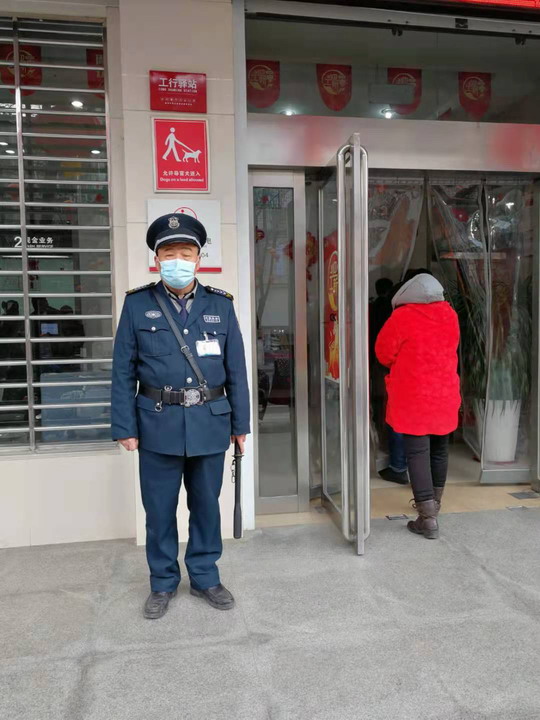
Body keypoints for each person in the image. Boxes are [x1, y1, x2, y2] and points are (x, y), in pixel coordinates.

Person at [111, 213, 250, 619]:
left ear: (199, 259)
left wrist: (240, 425)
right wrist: (125, 426)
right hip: (157, 424)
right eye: (169, 254)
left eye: (185, 253)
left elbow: (237, 370)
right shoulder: (137, 304)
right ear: (156, 260)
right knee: (159, 510)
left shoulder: (221, 305)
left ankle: (205, 576)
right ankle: (162, 581)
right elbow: (123, 371)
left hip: (210, 422)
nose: (177, 261)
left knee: (206, 505)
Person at [375, 273, 460, 539]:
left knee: (417, 452)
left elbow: (383, 353)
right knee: (440, 449)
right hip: (444, 392)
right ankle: (435, 505)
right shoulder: (450, 314)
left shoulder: (402, 317)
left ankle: (427, 518)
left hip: (414, 395)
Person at [369, 278, 408, 485]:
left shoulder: (394, 314)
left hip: (393, 371)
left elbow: (383, 350)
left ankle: (398, 465)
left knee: (395, 416)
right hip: (422, 381)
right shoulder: (443, 316)